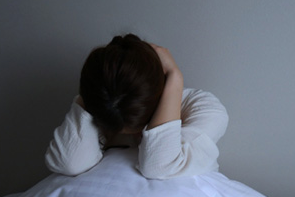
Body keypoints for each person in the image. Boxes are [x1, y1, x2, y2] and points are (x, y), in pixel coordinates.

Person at [45, 34, 228, 179]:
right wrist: (91, 89)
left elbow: (159, 166)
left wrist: (174, 77)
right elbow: (69, 162)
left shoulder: (206, 109)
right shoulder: (104, 105)